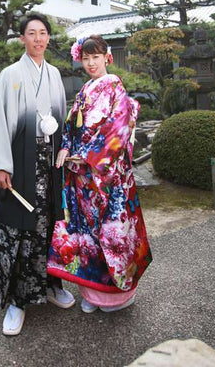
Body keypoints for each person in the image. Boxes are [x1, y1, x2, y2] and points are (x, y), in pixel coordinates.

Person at [0, 13, 75, 336]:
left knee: (50, 224)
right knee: (20, 230)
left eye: (43, 33)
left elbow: (62, 116)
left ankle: (53, 284)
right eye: (32, 33)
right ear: (22, 39)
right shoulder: (10, 75)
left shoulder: (55, 74)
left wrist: (64, 147)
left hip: (49, 165)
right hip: (20, 164)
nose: (39, 39)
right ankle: (17, 301)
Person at [47, 35, 152, 313]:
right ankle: (92, 294)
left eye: (96, 57)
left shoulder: (115, 85)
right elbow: (71, 126)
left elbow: (120, 125)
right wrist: (65, 148)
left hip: (107, 176)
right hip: (82, 177)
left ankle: (116, 296)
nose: (91, 63)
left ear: (107, 57)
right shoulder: (83, 90)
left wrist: (91, 156)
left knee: (112, 234)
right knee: (87, 237)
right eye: (86, 58)